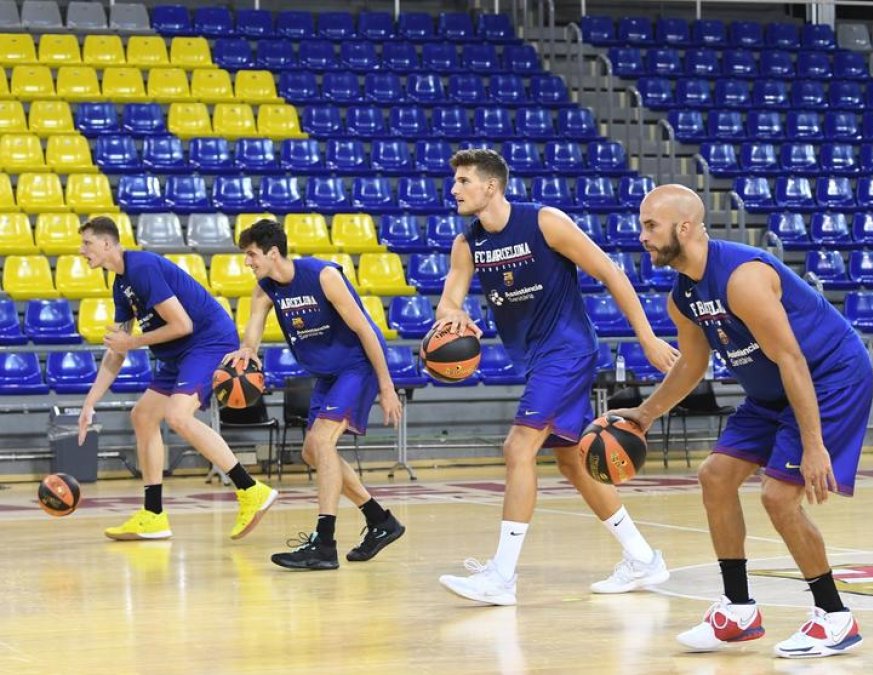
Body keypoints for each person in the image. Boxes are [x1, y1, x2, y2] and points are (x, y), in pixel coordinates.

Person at [611, 185, 873, 659]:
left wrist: (814, 445)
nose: (642, 236)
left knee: (778, 497)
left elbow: (792, 357)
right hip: (772, 389)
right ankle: (737, 611)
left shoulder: (742, 278)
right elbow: (691, 364)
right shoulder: (683, 294)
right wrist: (645, 414)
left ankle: (835, 617)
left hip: (828, 378)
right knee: (714, 476)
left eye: (651, 225)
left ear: (684, 228)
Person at [435, 148, 679, 606]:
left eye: (464, 181)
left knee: (518, 447)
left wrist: (645, 337)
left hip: (567, 351)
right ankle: (643, 559)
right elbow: (450, 298)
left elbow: (611, 273)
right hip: (535, 358)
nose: (455, 190)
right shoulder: (467, 244)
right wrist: (454, 317)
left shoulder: (545, 222)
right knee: (571, 461)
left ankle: (501, 577)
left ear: (490, 186)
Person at [75, 216, 277, 541]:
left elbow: (183, 325)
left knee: (179, 416)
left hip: (207, 342)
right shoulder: (120, 285)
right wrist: (89, 403)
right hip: (177, 352)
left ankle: (250, 489)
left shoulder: (141, 267)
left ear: (107, 243)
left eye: (87, 244)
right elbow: (117, 351)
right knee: (142, 416)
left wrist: (133, 342)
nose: (82, 251)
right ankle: (153, 515)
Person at [229, 219, 406, 570]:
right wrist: (247, 350)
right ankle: (380, 521)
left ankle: (324, 544)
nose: (247, 262)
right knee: (312, 452)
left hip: (357, 366)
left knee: (323, 443)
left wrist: (387, 386)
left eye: (251, 255)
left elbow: (367, 331)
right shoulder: (265, 289)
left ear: (273, 252)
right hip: (327, 374)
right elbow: (253, 331)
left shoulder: (323, 276)